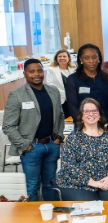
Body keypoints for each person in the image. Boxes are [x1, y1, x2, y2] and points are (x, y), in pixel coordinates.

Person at [55, 98, 108, 223]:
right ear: (81, 115)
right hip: (78, 183)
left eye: (94, 110)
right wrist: (91, 182)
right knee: (91, 210)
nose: (91, 114)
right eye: (86, 111)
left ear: (100, 115)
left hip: (106, 180)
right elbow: (68, 166)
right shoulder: (74, 138)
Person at [3, 58, 64, 201]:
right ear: (24, 74)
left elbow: (60, 115)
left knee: (50, 184)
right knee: (33, 186)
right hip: (31, 147)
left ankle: (52, 217)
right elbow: (8, 125)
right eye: (31, 71)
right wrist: (25, 145)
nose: (36, 74)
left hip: (51, 144)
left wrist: (58, 138)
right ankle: (33, 220)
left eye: (39, 70)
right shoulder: (17, 94)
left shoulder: (53, 91)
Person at [65, 43, 108, 127]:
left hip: (107, 125)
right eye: (87, 58)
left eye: (94, 57)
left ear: (99, 58)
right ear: (81, 59)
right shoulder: (73, 79)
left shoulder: (106, 78)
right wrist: (84, 124)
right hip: (83, 126)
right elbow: (72, 107)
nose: (91, 61)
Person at [45, 48, 76, 118]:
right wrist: (66, 94)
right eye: (60, 56)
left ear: (68, 58)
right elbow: (50, 85)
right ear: (56, 58)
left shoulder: (74, 69)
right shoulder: (51, 70)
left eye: (64, 56)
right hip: (60, 100)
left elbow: (77, 84)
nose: (62, 58)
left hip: (73, 100)